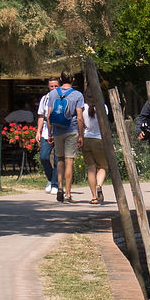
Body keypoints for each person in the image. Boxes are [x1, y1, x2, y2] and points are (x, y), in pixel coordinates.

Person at [44, 75, 85, 204]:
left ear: (60, 80)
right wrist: (81, 135)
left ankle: (59, 187)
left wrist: (50, 133)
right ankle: (68, 193)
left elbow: (49, 116)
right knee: (69, 162)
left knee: (60, 160)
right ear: (73, 80)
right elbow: (79, 117)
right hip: (71, 130)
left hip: (57, 131)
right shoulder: (77, 95)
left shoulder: (53, 94)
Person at [80, 93, 110, 204]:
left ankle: (94, 197)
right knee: (102, 166)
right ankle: (99, 185)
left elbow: (81, 122)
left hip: (87, 138)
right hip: (99, 139)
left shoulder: (83, 108)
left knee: (91, 168)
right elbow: (105, 124)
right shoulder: (103, 107)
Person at [35, 76, 60, 196]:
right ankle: (50, 179)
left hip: (59, 130)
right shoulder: (45, 99)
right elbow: (41, 116)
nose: (54, 88)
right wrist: (38, 131)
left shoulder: (62, 98)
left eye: (56, 86)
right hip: (46, 131)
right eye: (51, 86)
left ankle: (55, 184)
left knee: (57, 159)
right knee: (44, 157)